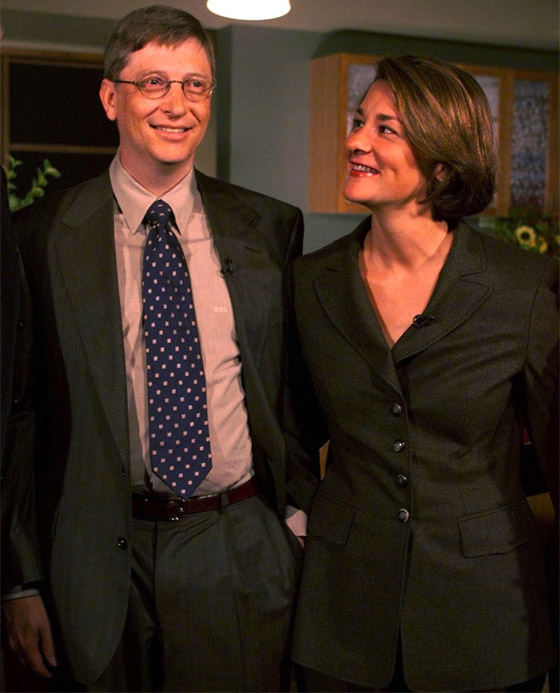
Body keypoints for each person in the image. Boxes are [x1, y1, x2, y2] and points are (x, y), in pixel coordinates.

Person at [1, 5, 319, 691]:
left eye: (195, 84)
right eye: (153, 83)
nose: (178, 104)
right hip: (93, 556)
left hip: (237, 546)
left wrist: (294, 517)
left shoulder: (270, 227)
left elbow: (294, 385)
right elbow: (21, 415)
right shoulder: (39, 235)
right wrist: (20, 580)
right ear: (110, 97)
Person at [291, 55, 558, 692]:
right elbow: (291, 436)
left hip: (489, 618)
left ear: (442, 164)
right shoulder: (310, 282)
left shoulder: (521, 287)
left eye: (385, 128)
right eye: (359, 122)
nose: (356, 141)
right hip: (341, 619)